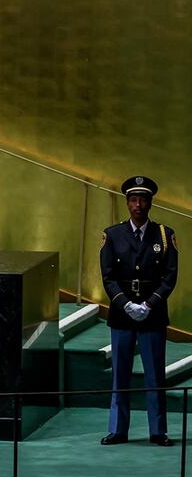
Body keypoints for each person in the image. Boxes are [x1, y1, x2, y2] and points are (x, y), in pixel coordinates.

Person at [100, 175, 178, 447]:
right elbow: (108, 277)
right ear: (127, 203)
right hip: (122, 314)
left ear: (150, 203)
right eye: (133, 200)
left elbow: (170, 276)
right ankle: (117, 430)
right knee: (120, 374)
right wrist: (125, 303)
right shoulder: (112, 235)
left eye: (143, 200)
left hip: (152, 314)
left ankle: (158, 431)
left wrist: (149, 304)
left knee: (155, 374)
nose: (138, 205)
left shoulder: (164, 235)